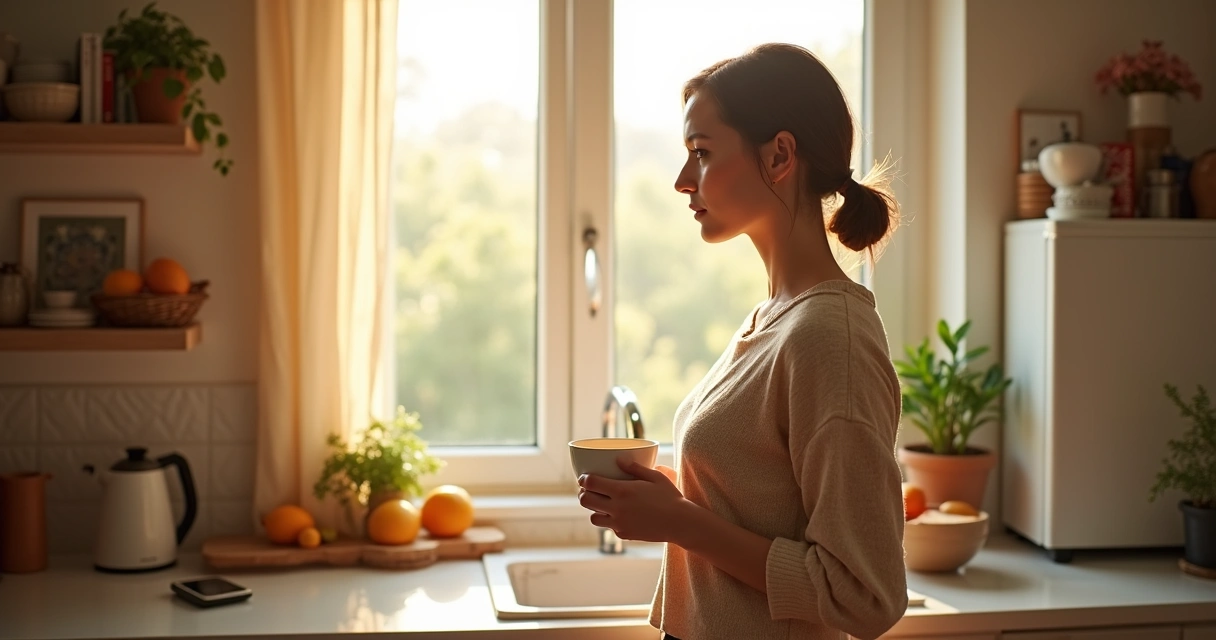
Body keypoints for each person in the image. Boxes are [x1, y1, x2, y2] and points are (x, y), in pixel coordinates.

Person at [575, 43, 907, 640]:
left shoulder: (831, 339)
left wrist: (682, 522)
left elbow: (866, 596)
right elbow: (768, 502)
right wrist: (674, 502)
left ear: (779, 155)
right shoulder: (771, 320)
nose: (682, 181)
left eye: (701, 153)